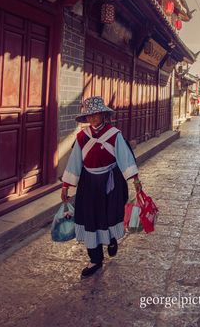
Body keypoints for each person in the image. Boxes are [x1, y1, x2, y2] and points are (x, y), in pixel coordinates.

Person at [60, 96, 142, 277]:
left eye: (96, 114)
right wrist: (66, 186)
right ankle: (95, 258)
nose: (92, 118)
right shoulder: (82, 137)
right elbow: (74, 162)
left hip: (110, 182)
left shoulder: (115, 135)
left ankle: (111, 239)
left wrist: (135, 181)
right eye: (89, 115)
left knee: (109, 215)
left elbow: (125, 159)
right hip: (88, 183)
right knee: (90, 218)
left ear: (104, 115)